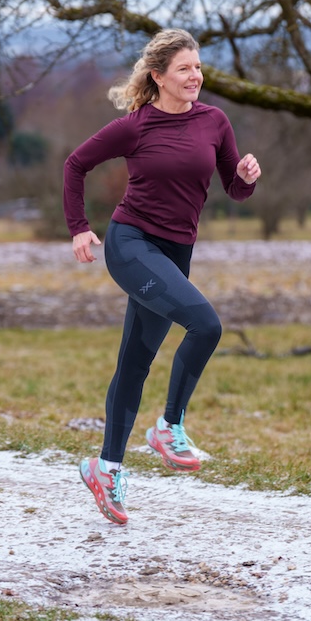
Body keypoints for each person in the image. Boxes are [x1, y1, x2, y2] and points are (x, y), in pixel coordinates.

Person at [63, 28, 261, 525]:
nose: (195, 76)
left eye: (198, 67)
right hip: (131, 245)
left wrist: (247, 178)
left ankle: (105, 470)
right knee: (206, 325)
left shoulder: (215, 122)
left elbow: (233, 190)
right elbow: (75, 165)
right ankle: (168, 428)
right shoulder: (136, 126)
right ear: (158, 77)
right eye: (184, 69)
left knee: (135, 362)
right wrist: (80, 228)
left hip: (175, 253)